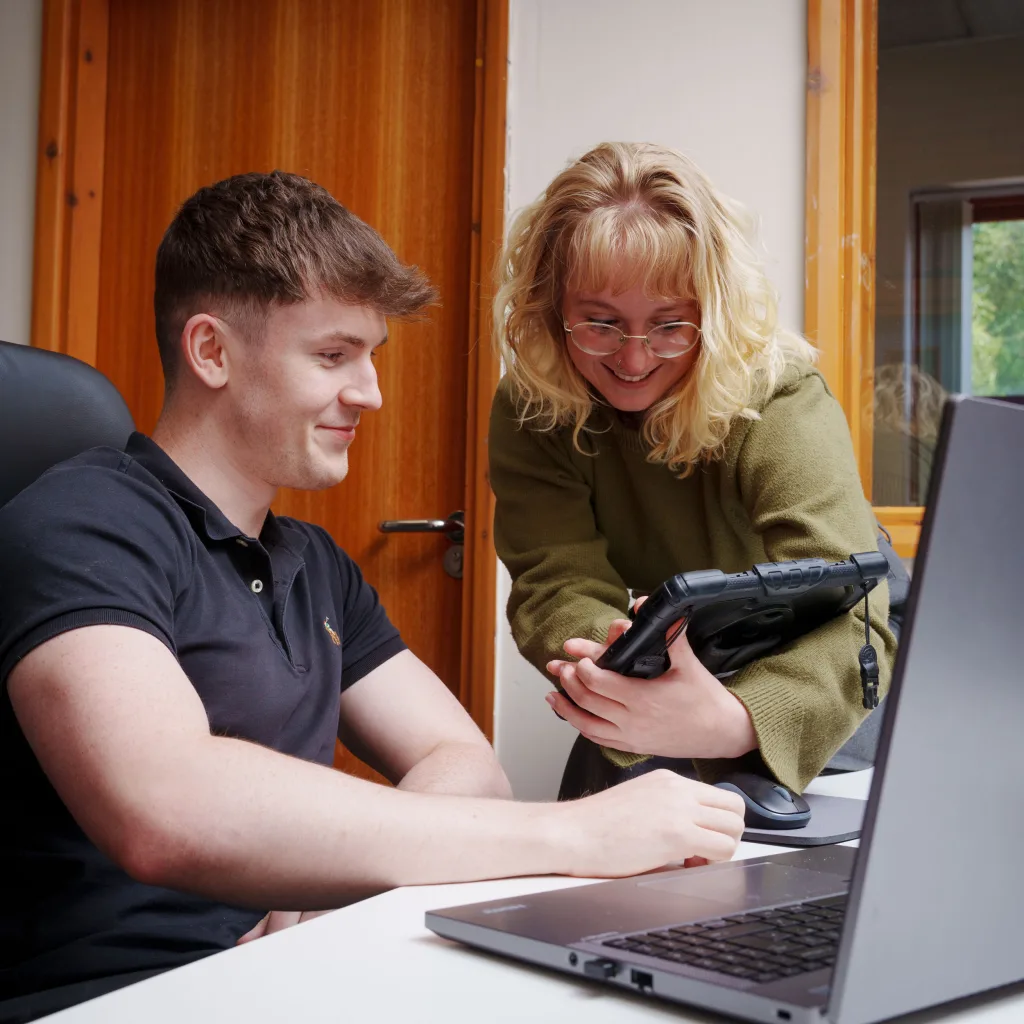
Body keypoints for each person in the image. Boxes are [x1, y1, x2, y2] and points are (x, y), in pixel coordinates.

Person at [0, 171, 746, 1022]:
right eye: (331, 356)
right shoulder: (82, 524)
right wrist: (576, 834)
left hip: (291, 976)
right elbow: (164, 802)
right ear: (211, 351)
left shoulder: (315, 563)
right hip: (107, 998)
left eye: (371, 357)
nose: (370, 393)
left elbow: (465, 766)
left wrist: (324, 886)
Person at [488, 142, 899, 799]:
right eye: (600, 323)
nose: (633, 359)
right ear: (548, 306)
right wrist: (620, 670)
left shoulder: (778, 392)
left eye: (671, 325)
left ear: (714, 312)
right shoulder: (530, 406)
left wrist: (738, 721)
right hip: (664, 652)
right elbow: (554, 580)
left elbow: (851, 611)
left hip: (824, 645)